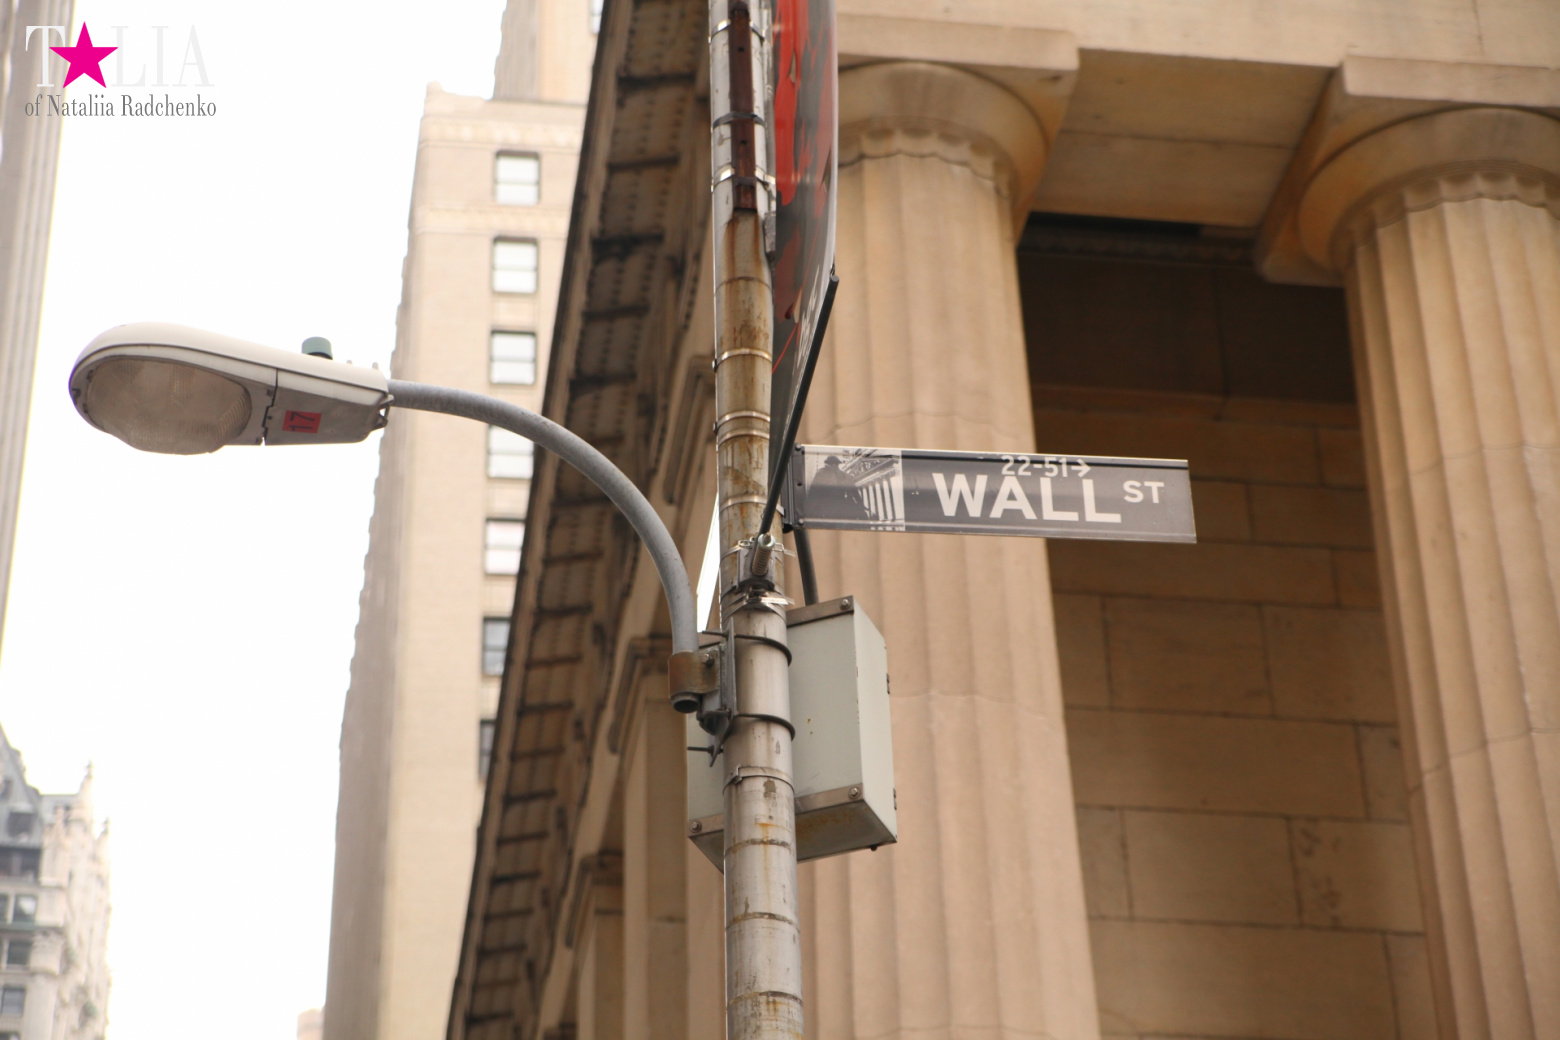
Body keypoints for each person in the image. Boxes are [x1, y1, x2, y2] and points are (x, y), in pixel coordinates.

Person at [808, 454, 869, 521]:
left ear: (828, 463)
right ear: (836, 464)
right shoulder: (844, 475)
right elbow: (854, 492)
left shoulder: (820, 473)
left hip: (825, 509)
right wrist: (861, 505)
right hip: (841, 509)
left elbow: (812, 492)